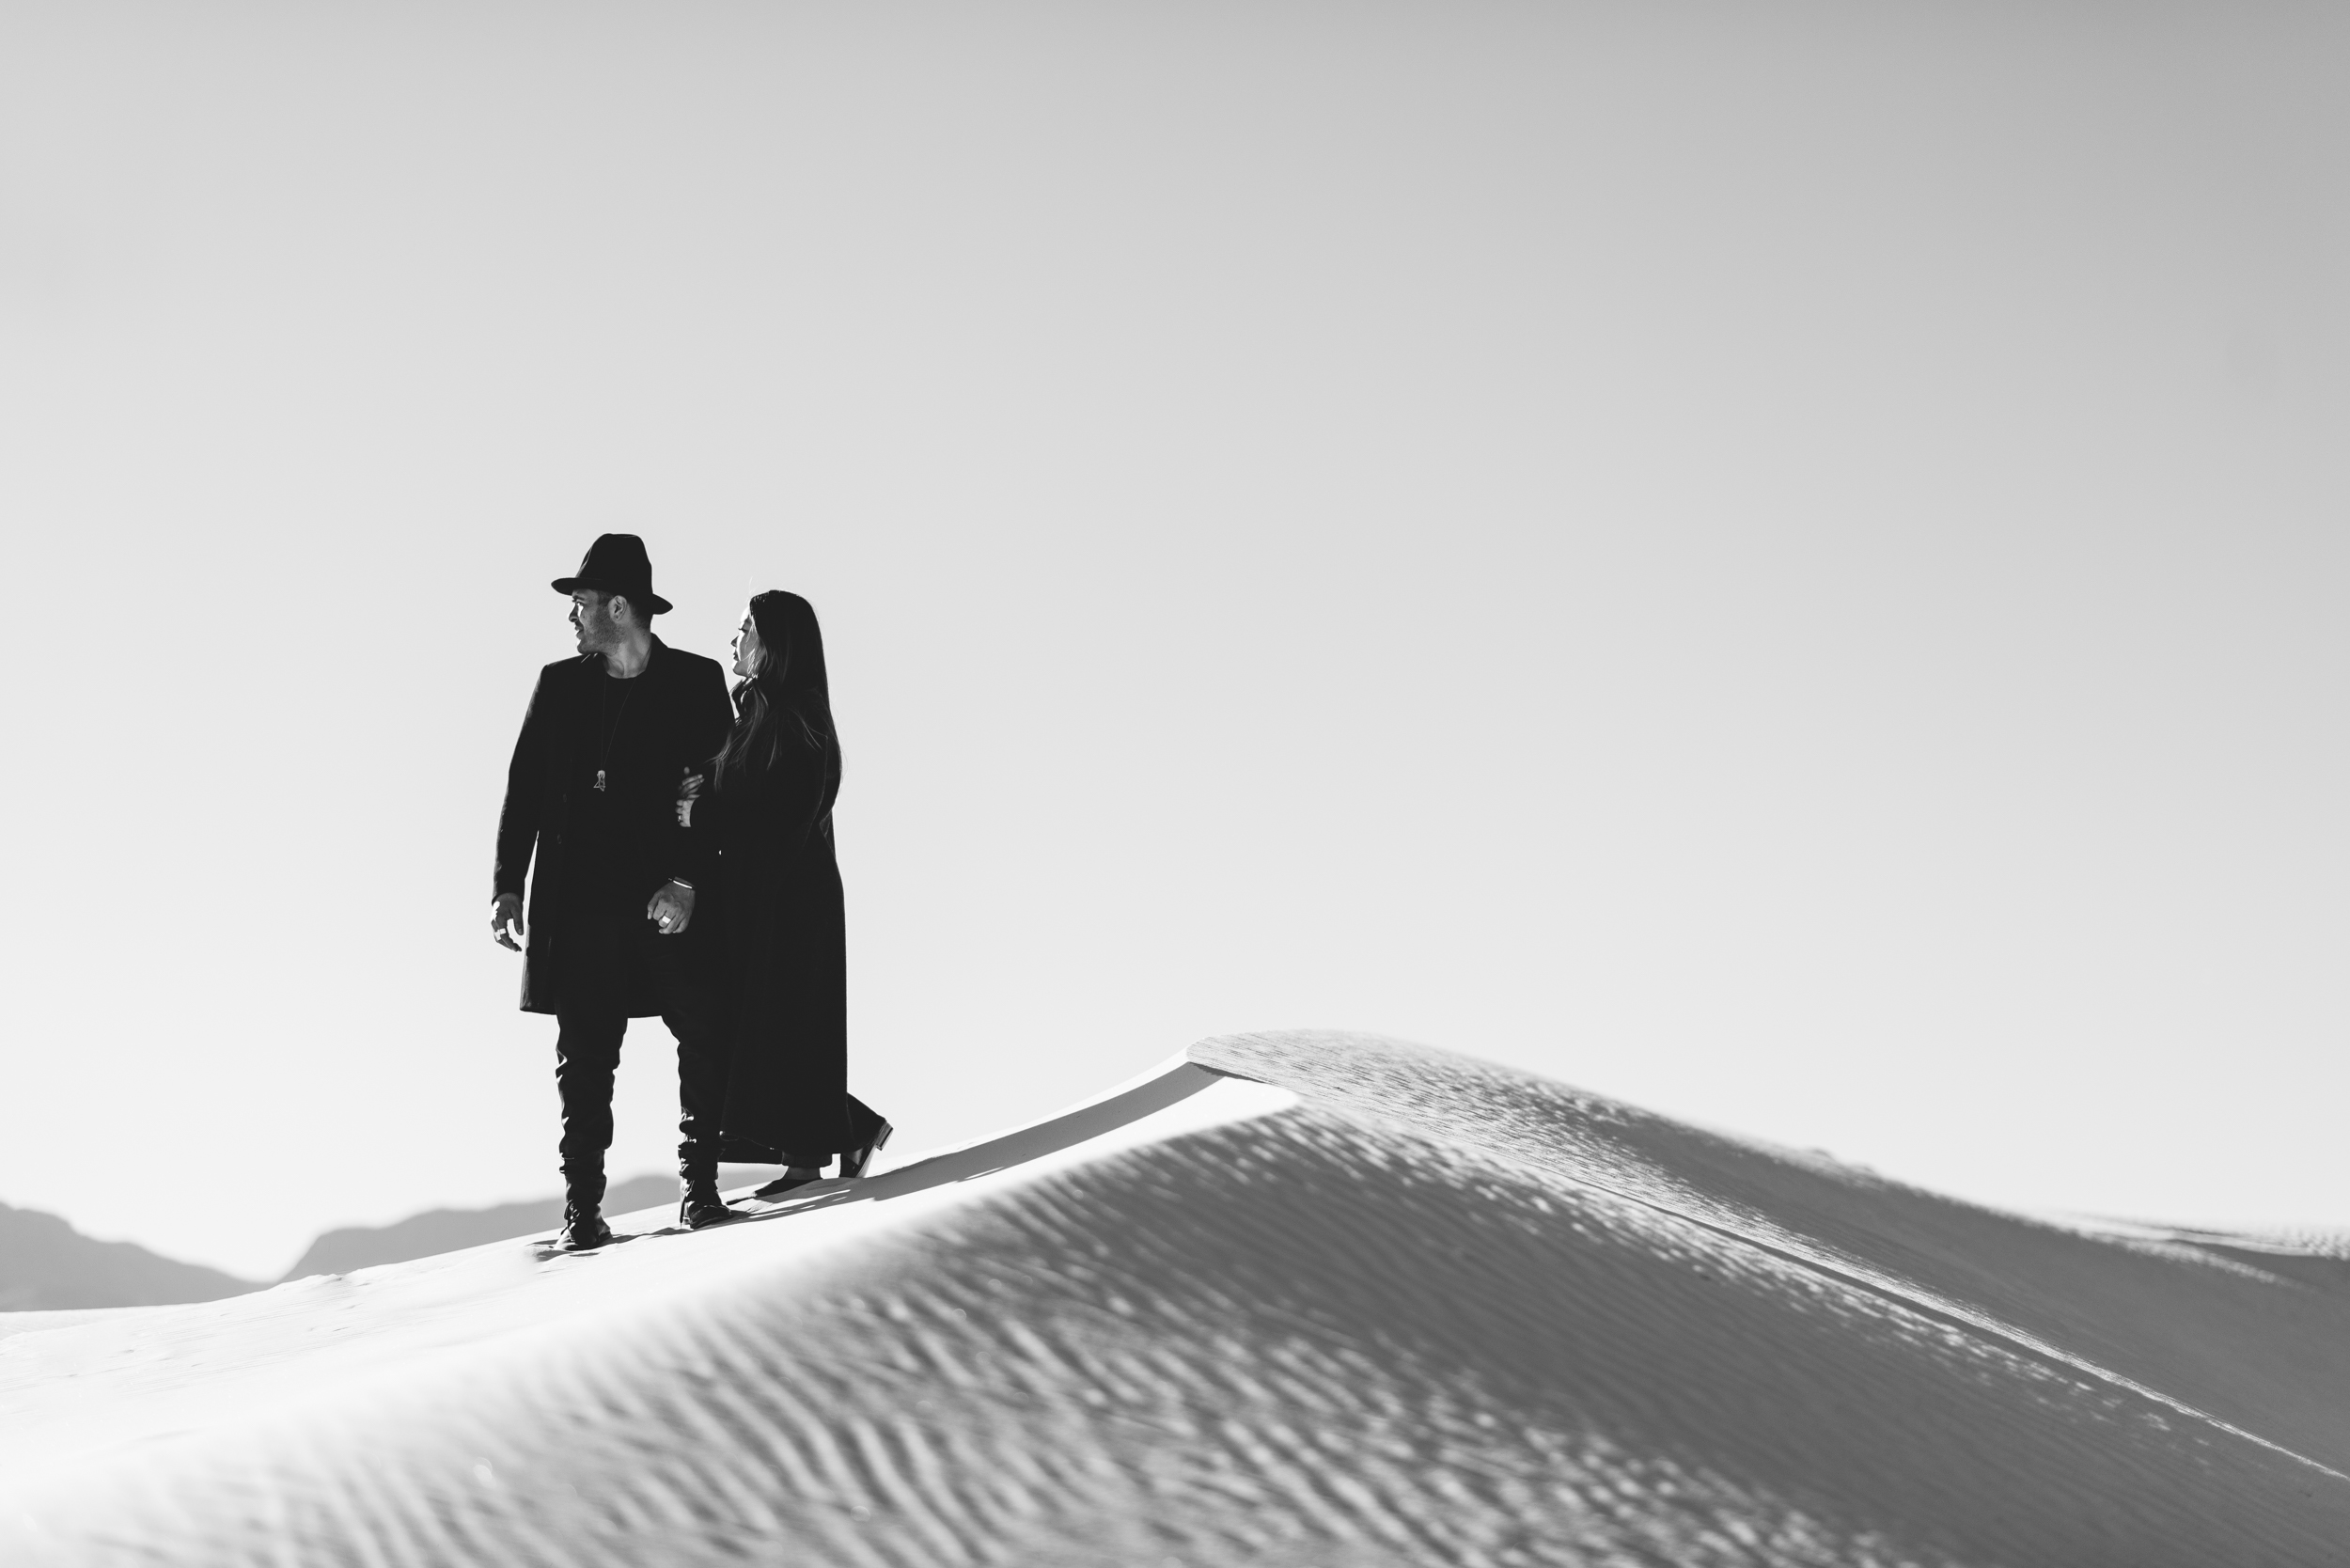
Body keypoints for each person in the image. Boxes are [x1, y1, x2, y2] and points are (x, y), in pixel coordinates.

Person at [491, 534, 734, 1249]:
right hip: (580, 908)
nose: (573, 616)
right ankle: (582, 1211)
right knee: (585, 1059)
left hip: (667, 902)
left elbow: (717, 792)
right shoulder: (559, 687)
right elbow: (524, 791)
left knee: (704, 1031)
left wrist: (687, 880)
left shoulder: (695, 682)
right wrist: (507, 886)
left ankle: (702, 1189)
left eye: (584, 603)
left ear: (620, 608)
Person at [674, 589, 889, 1212]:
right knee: (766, 1033)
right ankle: (835, 1140)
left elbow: (778, 819)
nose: (734, 640)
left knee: (788, 1029)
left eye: (745, 629)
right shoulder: (755, 712)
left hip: (794, 903)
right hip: (755, 897)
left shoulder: (801, 725)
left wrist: (703, 807)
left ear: (777, 644)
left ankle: (824, 1149)